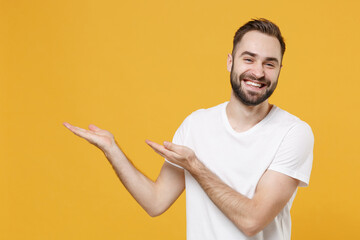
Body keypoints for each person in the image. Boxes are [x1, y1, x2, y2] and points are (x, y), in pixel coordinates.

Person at [64, 18, 314, 240]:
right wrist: (112, 150)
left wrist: (194, 165)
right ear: (230, 62)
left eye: (270, 64)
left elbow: (252, 221)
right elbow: (155, 201)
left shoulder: (293, 133)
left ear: (280, 70)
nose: (258, 72)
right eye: (248, 59)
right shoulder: (196, 124)